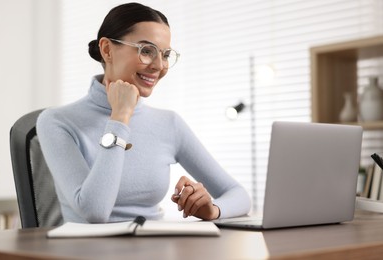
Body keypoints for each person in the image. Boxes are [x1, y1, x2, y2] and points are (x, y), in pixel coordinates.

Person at [37, 2, 251, 223]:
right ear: (107, 49)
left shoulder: (169, 123)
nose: (159, 65)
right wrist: (120, 117)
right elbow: (94, 212)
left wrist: (212, 209)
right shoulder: (56, 122)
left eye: (166, 54)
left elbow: (239, 195)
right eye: (146, 51)